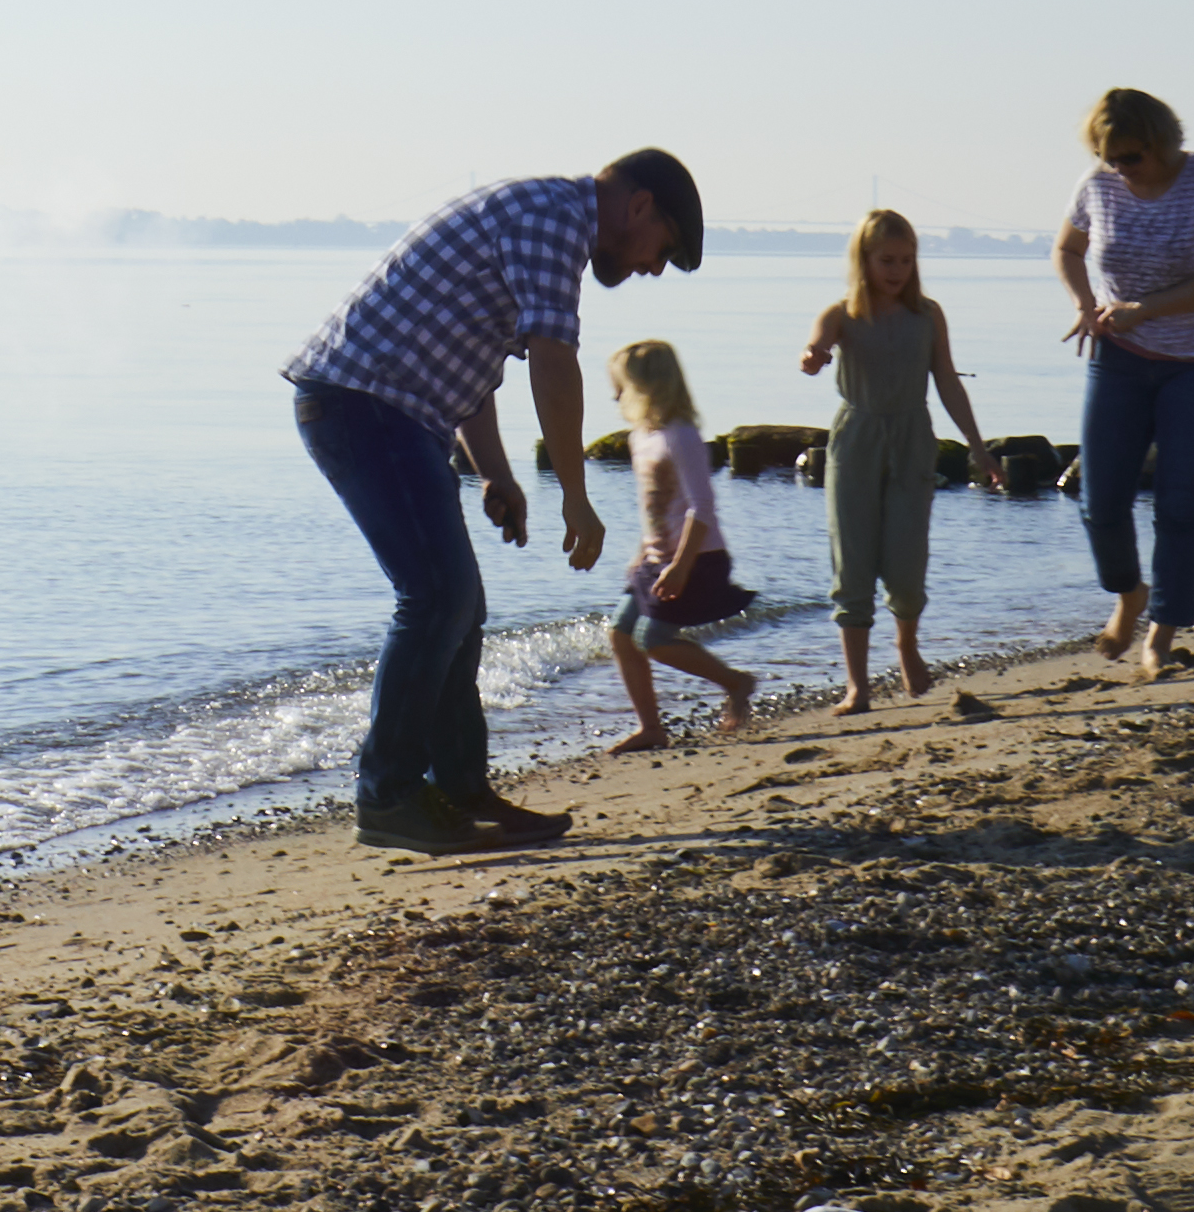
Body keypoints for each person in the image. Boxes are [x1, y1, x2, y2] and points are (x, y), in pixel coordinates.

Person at [284, 149, 706, 850]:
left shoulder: (545, 218)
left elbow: (470, 365)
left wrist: (494, 474)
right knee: (435, 598)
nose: (651, 268)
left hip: (399, 416)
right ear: (639, 207)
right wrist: (575, 494)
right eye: (663, 249)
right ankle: (386, 795)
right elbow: (553, 360)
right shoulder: (553, 219)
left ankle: (460, 791)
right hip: (361, 407)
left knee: (458, 604)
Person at [1050, 86, 1194, 679]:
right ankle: (1129, 593)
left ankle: (1160, 635)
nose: (1120, 168)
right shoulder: (1098, 187)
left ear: (1161, 144)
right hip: (1119, 355)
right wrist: (1086, 303)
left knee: (1180, 503)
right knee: (1100, 500)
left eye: (1131, 157)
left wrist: (1147, 308)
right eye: (1109, 157)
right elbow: (1067, 249)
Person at [796, 207, 983, 709]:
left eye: (906, 259)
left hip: (912, 437)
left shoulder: (928, 315)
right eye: (887, 260)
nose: (897, 270)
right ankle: (857, 685)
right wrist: (813, 358)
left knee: (906, 560)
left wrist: (978, 445)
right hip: (856, 438)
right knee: (852, 563)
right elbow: (814, 348)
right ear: (864, 260)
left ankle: (906, 645)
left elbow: (946, 380)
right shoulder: (842, 314)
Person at [601, 333, 763, 747]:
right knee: (620, 634)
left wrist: (680, 565)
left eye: (622, 385)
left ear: (647, 386)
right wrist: (641, 555)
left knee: (652, 640)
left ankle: (737, 682)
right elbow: (655, 509)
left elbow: (701, 509)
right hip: (656, 561)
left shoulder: (681, 434)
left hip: (697, 559)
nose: (615, 394)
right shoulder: (642, 436)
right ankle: (651, 728)